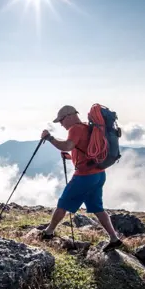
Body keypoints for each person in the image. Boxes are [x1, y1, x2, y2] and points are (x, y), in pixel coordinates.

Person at [40, 105, 123, 252]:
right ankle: (114, 238)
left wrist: (50, 138)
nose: (61, 124)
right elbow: (85, 149)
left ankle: (48, 232)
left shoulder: (75, 129)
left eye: (61, 120)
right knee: (98, 208)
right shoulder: (87, 127)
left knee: (63, 203)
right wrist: (71, 156)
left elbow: (67, 145)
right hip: (99, 174)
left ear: (69, 116)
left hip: (84, 177)